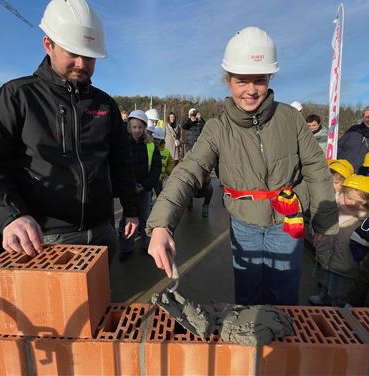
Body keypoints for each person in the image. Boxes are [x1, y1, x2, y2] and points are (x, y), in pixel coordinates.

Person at [147, 26, 338, 306]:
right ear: (228, 81)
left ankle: (282, 346)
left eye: (259, 80)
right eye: (241, 81)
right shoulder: (216, 128)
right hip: (244, 223)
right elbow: (188, 172)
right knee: (247, 294)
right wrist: (162, 224)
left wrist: (325, 220)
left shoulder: (291, 119)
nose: (251, 90)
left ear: (270, 78)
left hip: (288, 220)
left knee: (284, 293)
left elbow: (315, 167)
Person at [0, 0, 138, 263]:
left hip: (102, 232)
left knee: (99, 303)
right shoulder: (18, 95)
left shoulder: (105, 104)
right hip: (42, 239)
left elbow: (121, 161)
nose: (82, 64)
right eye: (73, 53)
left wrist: (131, 208)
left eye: (90, 57)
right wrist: (9, 216)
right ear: (48, 44)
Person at [311, 175, 369, 306]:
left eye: (361, 202)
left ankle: (336, 310)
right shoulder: (331, 210)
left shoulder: (368, 223)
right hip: (325, 257)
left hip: (346, 267)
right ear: (341, 193)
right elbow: (317, 224)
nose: (352, 203)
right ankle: (324, 296)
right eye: (349, 197)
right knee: (325, 282)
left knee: (340, 294)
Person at [118, 111, 162, 262]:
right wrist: (126, 186)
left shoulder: (150, 146)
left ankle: (147, 245)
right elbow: (120, 167)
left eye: (140, 127)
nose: (137, 130)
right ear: (129, 127)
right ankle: (126, 248)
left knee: (145, 218)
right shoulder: (123, 145)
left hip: (144, 189)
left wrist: (145, 186)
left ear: (144, 128)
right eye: (134, 127)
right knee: (127, 219)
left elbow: (156, 168)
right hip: (128, 189)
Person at [152, 126, 175, 197]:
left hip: (159, 178)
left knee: (160, 194)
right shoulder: (149, 148)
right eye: (154, 139)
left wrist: (168, 171)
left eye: (158, 139)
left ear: (161, 140)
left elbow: (171, 163)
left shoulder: (166, 152)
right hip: (149, 177)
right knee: (149, 194)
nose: (156, 141)